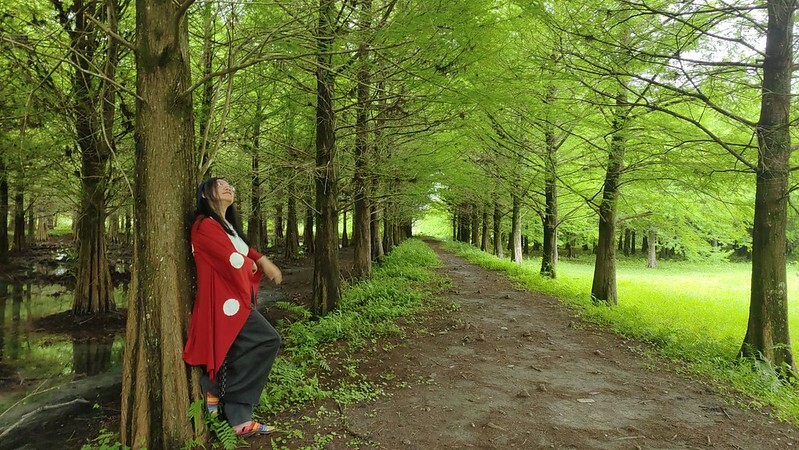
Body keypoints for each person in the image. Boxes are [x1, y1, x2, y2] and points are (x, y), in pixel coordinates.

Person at [183, 178, 283, 437]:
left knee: (242, 347)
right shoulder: (204, 225)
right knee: (267, 340)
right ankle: (222, 394)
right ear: (205, 194)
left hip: (236, 301)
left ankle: (229, 405)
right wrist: (248, 263)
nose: (229, 187)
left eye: (231, 185)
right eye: (221, 184)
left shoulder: (227, 227)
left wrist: (261, 260)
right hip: (222, 302)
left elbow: (241, 249)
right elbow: (229, 256)